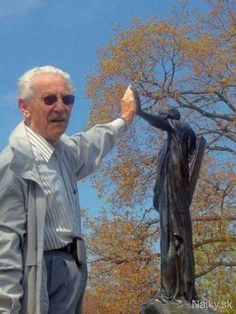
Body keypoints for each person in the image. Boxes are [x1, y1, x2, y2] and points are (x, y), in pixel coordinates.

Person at [0, 66, 136, 313]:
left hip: (74, 270)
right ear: (25, 106)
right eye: (49, 99)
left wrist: (124, 119)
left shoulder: (65, 151)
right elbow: (4, 245)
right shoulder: (15, 164)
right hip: (44, 277)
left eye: (67, 99)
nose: (61, 107)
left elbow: (94, 141)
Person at [136, 99, 198, 303]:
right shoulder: (169, 144)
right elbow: (161, 172)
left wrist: (141, 112)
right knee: (168, 241)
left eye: (165, 116)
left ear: (171, 118)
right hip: (167, 194)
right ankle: (172, 289)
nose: (163, 119)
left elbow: (160, 122)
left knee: (173, 240)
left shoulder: (181, 128)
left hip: (175, 192)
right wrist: (156, 193)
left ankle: (173, 291)